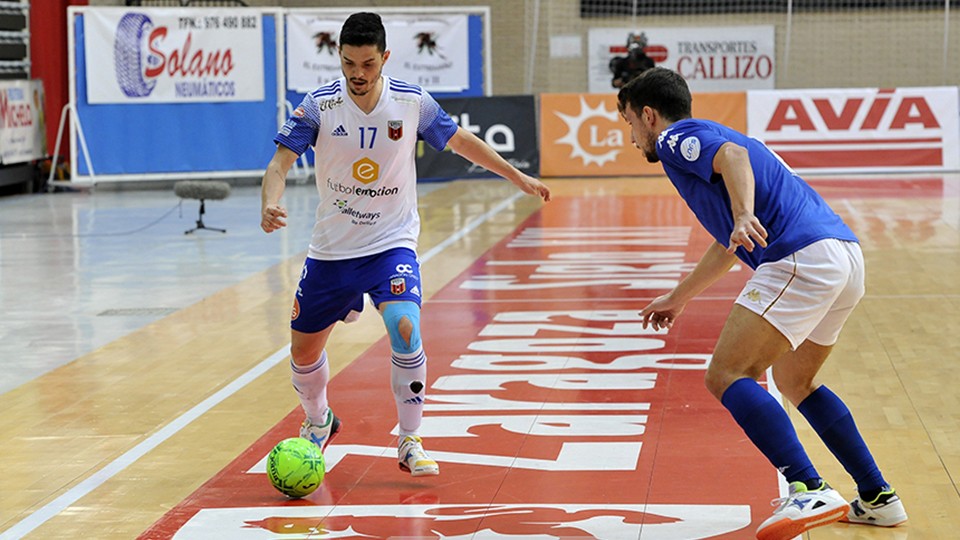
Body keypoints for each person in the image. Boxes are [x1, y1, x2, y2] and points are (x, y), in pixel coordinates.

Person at [617, 67, 907, 539]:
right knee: (796, 381)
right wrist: (679, 296)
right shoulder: (716, 136)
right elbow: (727, 243)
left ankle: (808, 486)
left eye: (629, 123)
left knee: (726, 374)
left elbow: (731, 160)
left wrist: (744, 213)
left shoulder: (675, 139)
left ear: (648, 115)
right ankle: (877, 496)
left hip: (799, 257)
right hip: (842, 256)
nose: (632, 137)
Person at [260, 12, 550, 478]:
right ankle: (319, 421)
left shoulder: (411, 102)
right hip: (332, 250)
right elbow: (279, 163)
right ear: (339, 57)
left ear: (384, 58)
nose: (358, 73)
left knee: (406, 330)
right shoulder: (318, 105)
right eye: (349, 62)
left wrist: (515, 175)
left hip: (390, 244)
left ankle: (410, 439)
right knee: (303, 354)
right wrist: (270, 202)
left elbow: (461, 141)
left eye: (368, 64)